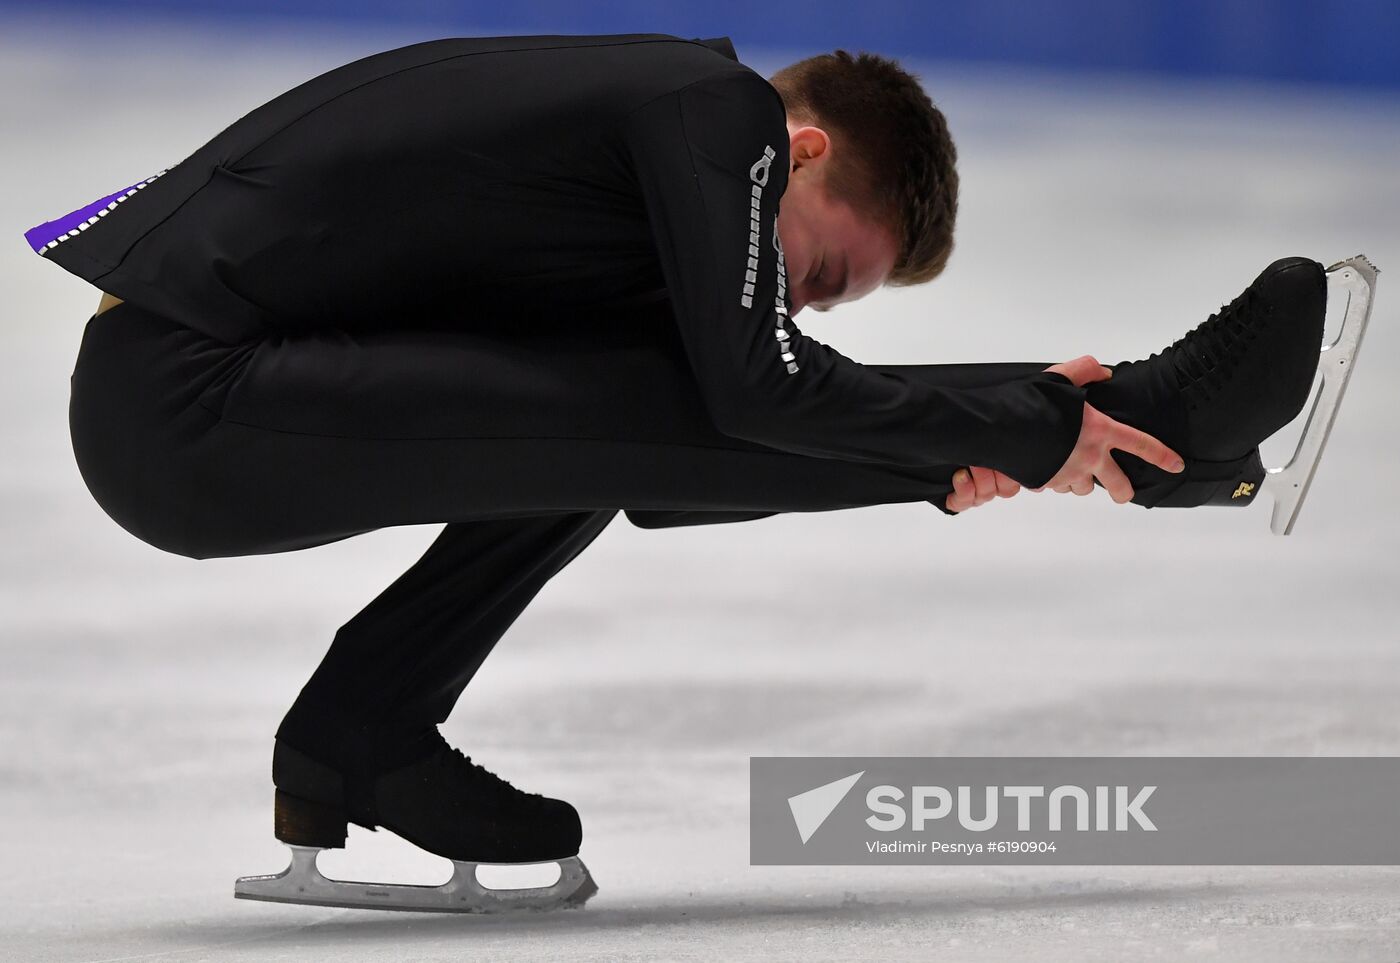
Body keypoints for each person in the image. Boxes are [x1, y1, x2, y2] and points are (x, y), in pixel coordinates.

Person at [25, 33, 1328, 910]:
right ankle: (1146, 428)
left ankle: (357, 740)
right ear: (803, 152)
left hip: (198, 393)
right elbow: (749, 396)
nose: (799, 309)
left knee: (623, 411)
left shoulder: (639, 168)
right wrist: (1022, 434)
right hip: (184, 402)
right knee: (673, 393)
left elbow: (673, 463)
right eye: (817, 274)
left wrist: (962, 447)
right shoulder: (723, 115)